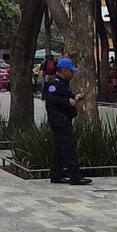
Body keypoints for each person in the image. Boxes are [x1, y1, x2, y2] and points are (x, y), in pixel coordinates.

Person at [42, 57, 91, 185]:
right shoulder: (54, 84)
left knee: (59, 148)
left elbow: (63, 97)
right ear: (64, 70)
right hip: (59, 120)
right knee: (68, 148)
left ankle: (56, 174)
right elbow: (52, 99)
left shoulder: (63, 84)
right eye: (71, 71)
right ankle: (75, 176)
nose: (72, 74)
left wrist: (75, 97)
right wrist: (68, 101)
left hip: (64, 119)